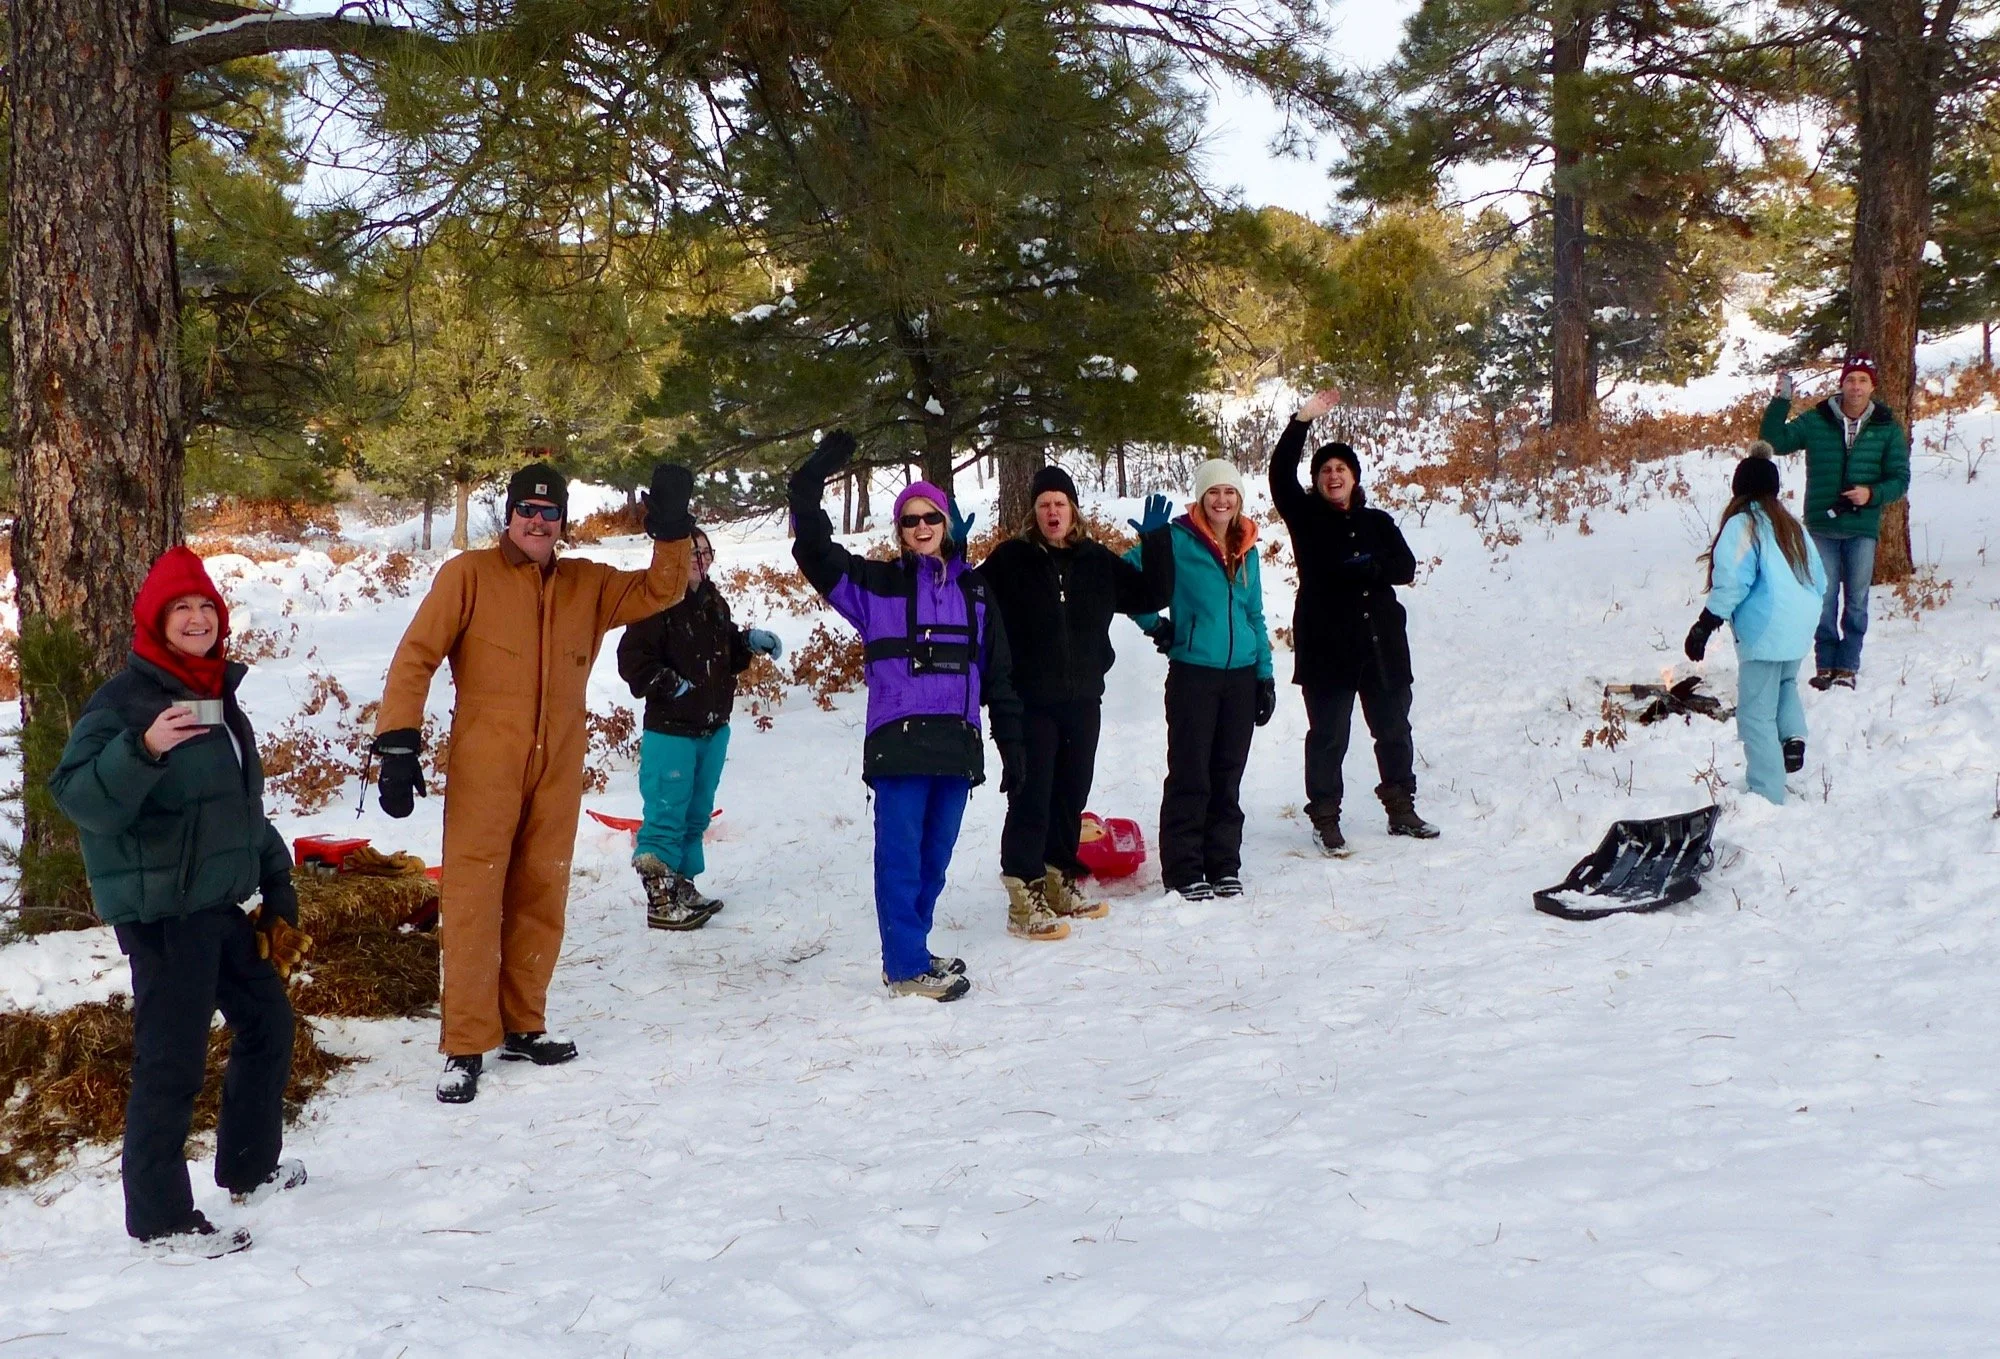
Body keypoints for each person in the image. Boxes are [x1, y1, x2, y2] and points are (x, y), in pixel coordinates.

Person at [372, 460, 694, 1103]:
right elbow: (416, 655)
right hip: (485, 763)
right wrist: (399, 741)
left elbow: (664, 589)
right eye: (527, 510)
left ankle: (524, 1023)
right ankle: (465, 1043)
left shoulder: (586, 584)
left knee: (541, 891)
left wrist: (671, 528)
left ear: (562, 522)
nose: (537, 522)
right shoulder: (468, 575)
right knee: (473, 896)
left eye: (550, 513)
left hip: (558, 763)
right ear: (509, 515)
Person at [51, 546, 311, 1258]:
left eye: (206, 607)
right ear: (155, 622)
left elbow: (235, 804)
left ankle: (250, 1167)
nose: (197, 618)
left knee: (266, 1021)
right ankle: (162, 1219)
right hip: (163, 914)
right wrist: (143, 748)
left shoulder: (216, 696)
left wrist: (276, 880)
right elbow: (77, 798)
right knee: (172, 1061)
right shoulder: (124, 702)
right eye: (182, 609)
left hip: (215, 904)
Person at [788, 431, 1024, 1001]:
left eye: (931, 518)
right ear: (900, 529)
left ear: (945, 524)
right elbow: (814, 552)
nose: (922, 527)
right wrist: (809, 482)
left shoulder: (976, 593)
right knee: (899, 859)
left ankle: (913, 946)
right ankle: (905, 966)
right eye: (910, 519)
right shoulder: (876, 586)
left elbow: (998, 677)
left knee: (934, 862)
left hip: (957, 746)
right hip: (900, 746)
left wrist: (1012, 748)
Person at [976, 467, 1174, 939]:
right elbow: (969, 596)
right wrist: (956, 552)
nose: (1052, 512)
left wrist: (1157, 543)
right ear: (1033, 511)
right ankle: (1025, 897)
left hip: (1084, 699)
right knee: (1031, 795)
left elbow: (1154, 592)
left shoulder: (1096, 562)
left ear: (1073, 509)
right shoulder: (1011, 560)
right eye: (1044, 504)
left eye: (1060, 503)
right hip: (1030, 702)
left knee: (1070, 794)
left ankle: (1060, 878)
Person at [1269, 387, 1436, 854]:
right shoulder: (1305, 518)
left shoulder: (1379, 521)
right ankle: (1326, 818)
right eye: (1325, 471)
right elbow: (1280, 475)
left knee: (1394, 730)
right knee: (1328, 738)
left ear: (1354, 477)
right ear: (1317, 482)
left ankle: (1401, 809)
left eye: (1341, 469)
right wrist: (1301, 421)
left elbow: (1405, 567)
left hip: (1381, 644)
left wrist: (1373, 568)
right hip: (1328, 648)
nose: (1333, 475)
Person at [615, 527, 784, 929]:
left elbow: (724, 652)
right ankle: (661, 899)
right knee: (666, 812)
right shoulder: (655, 602)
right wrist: (669, 684)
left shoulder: (712, 601)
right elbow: (633, 659)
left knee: (696, 813)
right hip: (671, 730)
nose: (699, 557)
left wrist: (748, 644)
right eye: (690, 551)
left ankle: (683, 886)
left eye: (705, 551)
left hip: (712, 727)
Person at [1127, 459, 1275, 901]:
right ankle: (1185, 870)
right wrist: (1159, 626)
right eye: (1214, 492)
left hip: (1241, 675)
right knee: (1192, 772)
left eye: (1230, 492)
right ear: (1201, 496)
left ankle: (1223, 864)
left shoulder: (1246, 543)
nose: (1222, 500)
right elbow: (1127, 584)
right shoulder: (1175, 539)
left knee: (1228, 773)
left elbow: (1254, 615)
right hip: (1194, 673)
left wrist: (1264, 676)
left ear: (1239, 498)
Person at [1684, 443, 1828, 804]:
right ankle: (1793, 736)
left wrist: (1706, 623)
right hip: (1800, 624)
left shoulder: (1743, 523)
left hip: (1767, 628)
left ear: (1739, 489)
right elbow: (1821, 579)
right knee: (1784, 683)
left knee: (1755, 714)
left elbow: (1733, 578)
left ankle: (1766, 793)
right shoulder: (1791, 526)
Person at [1759, 353, 1911, 690]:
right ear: (1841, 383)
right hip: (1822, 525)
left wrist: (1871, 494)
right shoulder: (1818, 420)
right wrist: (1782, 399)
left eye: (1863, 380)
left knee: (1856, 600)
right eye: (1850, 379)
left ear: (1873, 386)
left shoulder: (1887, 426)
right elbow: (1775, 441)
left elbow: (1900, 478)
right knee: (1823, 598)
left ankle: (1848, 666)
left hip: (1862, 527)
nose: (1856, 387)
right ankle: (1825, 664)